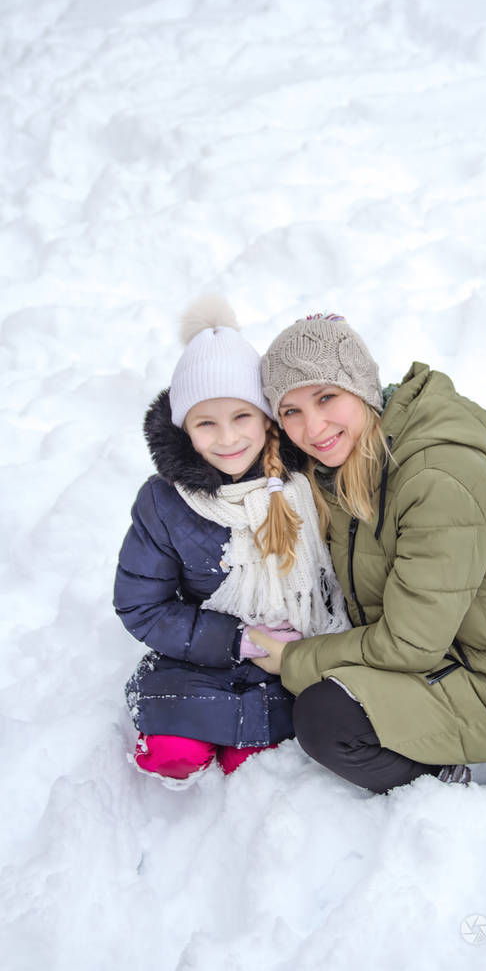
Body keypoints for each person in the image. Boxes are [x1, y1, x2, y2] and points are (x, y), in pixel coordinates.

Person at [249, 313, 486, 794]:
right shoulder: (351, 468)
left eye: (325, 397)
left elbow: (408, 644)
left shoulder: (434, 481)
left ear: (361, 389)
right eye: (290, 411)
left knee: (324, 717)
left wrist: (295, 658)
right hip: (441, 656)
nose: (312, 427)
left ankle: (436, 780)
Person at [113, 298, 349, 786]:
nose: (227, 439)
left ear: (267, 419)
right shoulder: (165, 502)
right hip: (205, 654)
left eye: (241, 417)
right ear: (184, 430)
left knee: (255, 762)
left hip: (295, 658)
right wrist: (238, 640)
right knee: (171, 754)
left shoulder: (308, 480)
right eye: (206, 423)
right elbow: (141, 606)